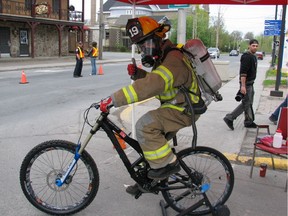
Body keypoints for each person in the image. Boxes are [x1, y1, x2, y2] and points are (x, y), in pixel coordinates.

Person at [99, 17, 206, 186]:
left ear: (158, 38)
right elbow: (159, 81)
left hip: (184, 109)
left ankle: (168, 166)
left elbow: (154, 84)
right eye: (141, 47)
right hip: (176, 107)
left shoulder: (174, 59)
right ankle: (152, 178)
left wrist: (114, 99)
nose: (144, 50)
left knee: (145, 126)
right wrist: (138, 75)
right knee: (149, 143)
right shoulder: (165, 57)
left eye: (146, 44)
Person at [223, 39, 259, 130]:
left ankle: (248, 121)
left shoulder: (253, 56)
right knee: (246, 103)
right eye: (253, 45)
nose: (255, 47)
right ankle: (230, 118)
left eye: (256, 46)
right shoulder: (246, 57)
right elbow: (243, 73)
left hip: (251, 83)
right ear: (249, 46)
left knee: (249, 103)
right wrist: (243, 86)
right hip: (246, 84)